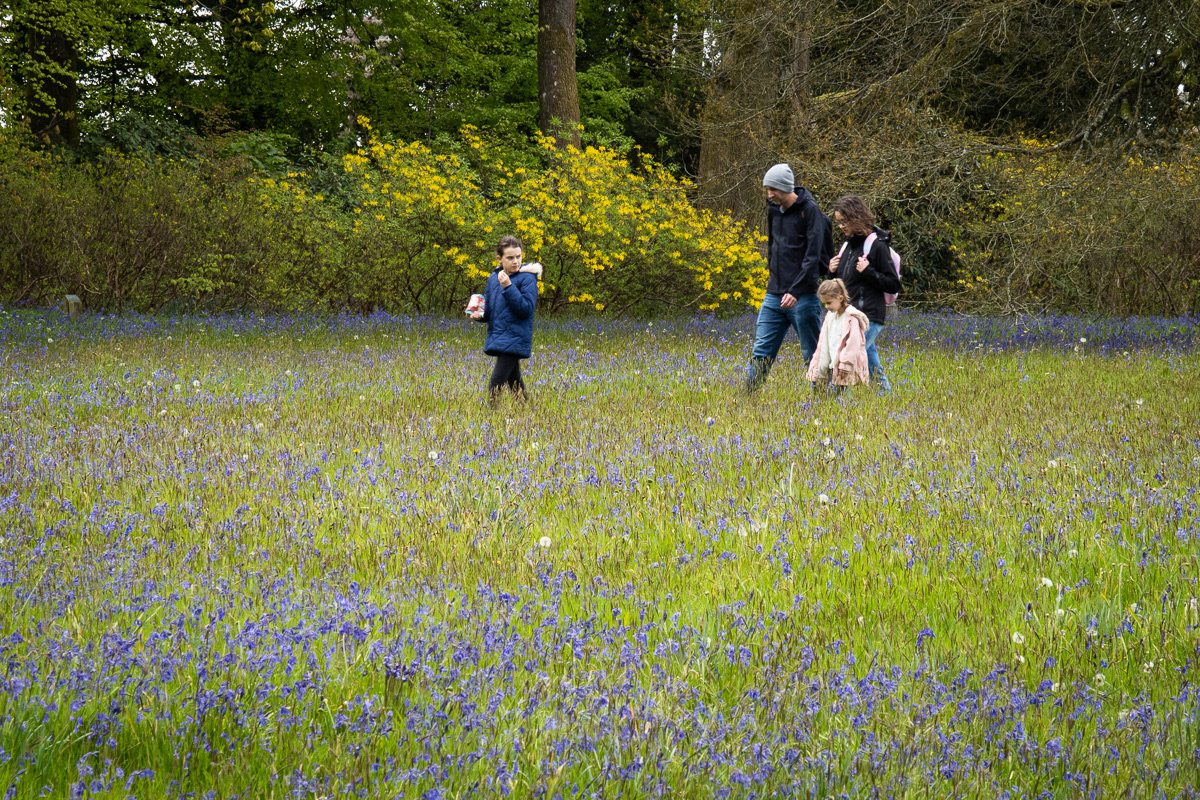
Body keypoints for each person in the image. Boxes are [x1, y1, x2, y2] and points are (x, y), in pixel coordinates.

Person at [745, 163, 832, 392]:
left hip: (802, 295)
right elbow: (773, 246)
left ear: (785, 187)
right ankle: (748, 397)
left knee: (812, 352)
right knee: (761, 350)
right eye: (767, 189)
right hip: (774, 293)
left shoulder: (810, 211)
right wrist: (774, 280)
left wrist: (795, 291)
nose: (769, 194)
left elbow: (812, 256)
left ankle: (824, 398)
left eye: (773, 189)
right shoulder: (773, 209)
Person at [827, 195, 901, 394]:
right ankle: (886, 396)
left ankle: (841, 403)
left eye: (844, 222)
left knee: (844, 358)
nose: (841, 227)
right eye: (839, 222)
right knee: (870, 359)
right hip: (848, 316)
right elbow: (843, 286)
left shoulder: (877, 246)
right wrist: (832, 272)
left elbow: (893, 284)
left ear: (856, 218)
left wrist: (869, 271)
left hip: (868, 316)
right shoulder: (847, 246)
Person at [471, 235, 538, 403]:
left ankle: (490, 417)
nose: (516, 261)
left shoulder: (528, 278)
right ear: (499, 258)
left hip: (515, 336)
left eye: (518, 256)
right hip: (500, 335)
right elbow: (491, 312)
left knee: (497, 381)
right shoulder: (494, 279)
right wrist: (479, 315)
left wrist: (508, 287)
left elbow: (526, 310)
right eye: (510, 258)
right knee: (514, 380)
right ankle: (526, 410)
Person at [806, 279, 870, 395]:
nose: (826, 306)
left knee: (842, 395)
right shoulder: (831, 316)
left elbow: (853, 345)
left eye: (829, 303)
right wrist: (819, 363)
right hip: (832, 364)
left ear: (840, 298)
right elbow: (823, 341)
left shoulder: (851, 318)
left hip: (843, 367)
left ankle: (848, 412)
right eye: (824, 303)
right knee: (829, 394)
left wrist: (845, 365)